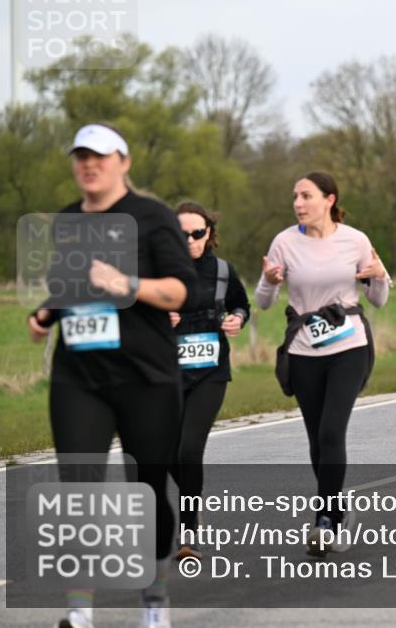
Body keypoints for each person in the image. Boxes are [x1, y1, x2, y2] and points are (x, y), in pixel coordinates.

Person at [26, 124, 197, 628]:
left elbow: (181, 292)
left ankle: (154, 602)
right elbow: (69, 282)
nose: (89, 165)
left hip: (147, 377)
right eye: (80, 157)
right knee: (77, 490)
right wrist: (47, 313)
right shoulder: (67, 220)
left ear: (123, 161)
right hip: (79, 376)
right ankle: (80, 611)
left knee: (147, 491)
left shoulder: (152, 218)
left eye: (99, 156)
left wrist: (127, 283)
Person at [255, 171, 390, 555]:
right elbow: (264, 301)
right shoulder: (284, 242)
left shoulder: (355, 240)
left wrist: (379, 277)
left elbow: (378, 298)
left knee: (332, 432)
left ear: (329, 200)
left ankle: (325, 520)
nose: (298, 203)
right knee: (316, 440)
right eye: (295, 196)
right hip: (302, 350)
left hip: (348, 346)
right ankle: (338, 509)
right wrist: (268, 280)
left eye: (306, 196)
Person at [167, 201, 250, 560]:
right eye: (181, 234)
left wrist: (237, 319)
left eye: (197, 233)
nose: (190, 240)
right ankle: (193, 496)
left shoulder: (222, 271)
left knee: (189, 450)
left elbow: (241, 305)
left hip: (210, 372)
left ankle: (188, 533)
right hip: (165, 373)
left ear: (209, 234)